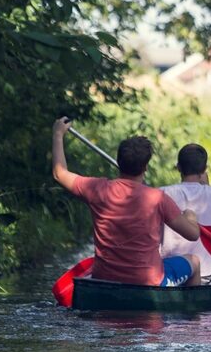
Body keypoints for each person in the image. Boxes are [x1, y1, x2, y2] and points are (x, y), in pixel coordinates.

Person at [50, 117, 202, 287]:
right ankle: (192, 313)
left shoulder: (97, 189)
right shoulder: (158, 198)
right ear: (145, 167)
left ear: (119, 163)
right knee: (194, 261)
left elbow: (59, 174)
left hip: (105, 280)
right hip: (149, 283)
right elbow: (193, 234)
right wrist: (190, 216)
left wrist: (58, 134)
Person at [160, 143, 211, 285]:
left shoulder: (163, 193)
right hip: (207, 276)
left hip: (173, 274)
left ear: (178, 168)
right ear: (204, 170)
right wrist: (206, 186)